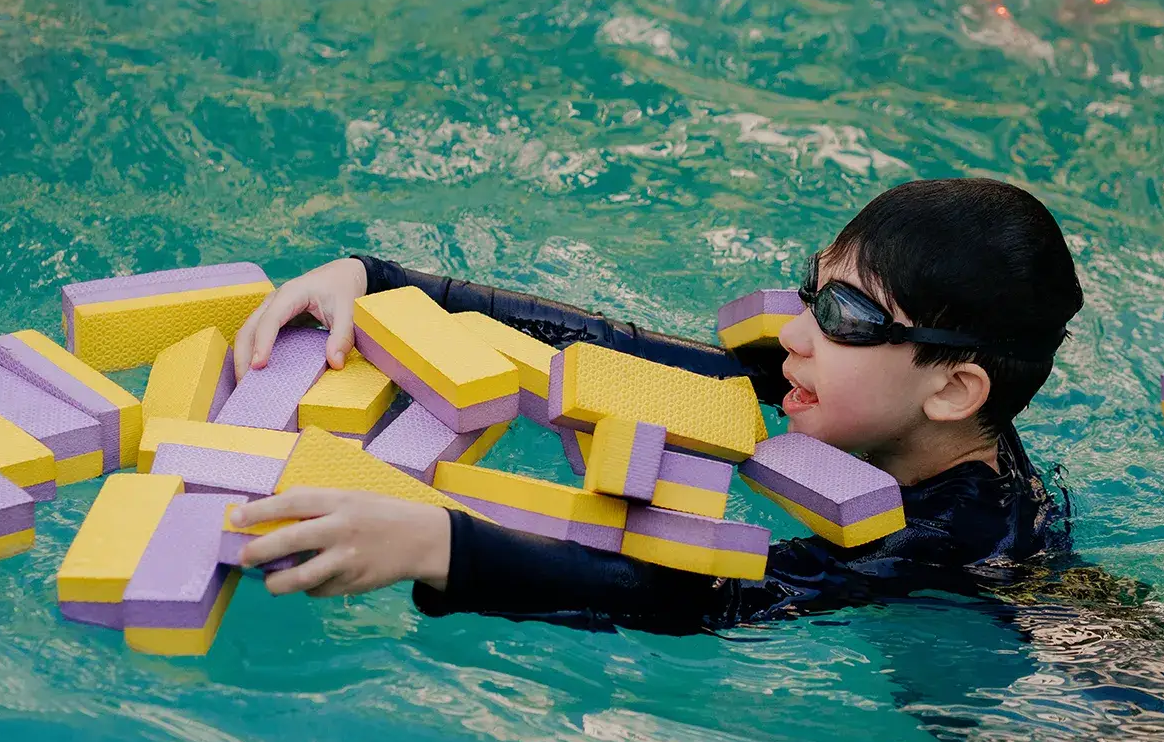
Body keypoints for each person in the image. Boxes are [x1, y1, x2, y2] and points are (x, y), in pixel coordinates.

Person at [224, 178, 1085, 632]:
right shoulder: (823, 383)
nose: (794, 335)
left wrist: (436, 544)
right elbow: (602, 351)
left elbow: (708, 600)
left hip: (1056, 720)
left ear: (952, 388)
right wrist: (379, 283)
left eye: (845, 316)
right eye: (807, 289)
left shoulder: (960, 537)